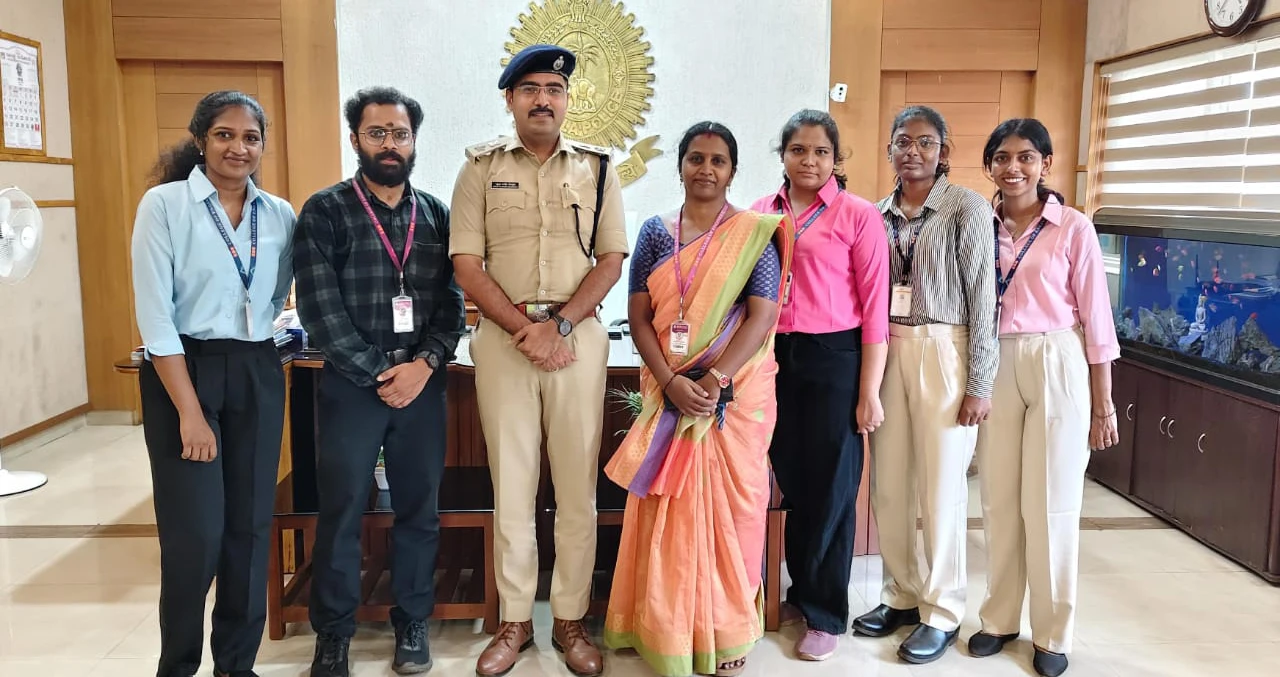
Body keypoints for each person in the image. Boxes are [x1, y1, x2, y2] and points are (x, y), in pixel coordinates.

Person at [448, 44, 628, 677]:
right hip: (505, 341)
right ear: (510, 99)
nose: (542, 99)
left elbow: (611, 260)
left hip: (577, 339)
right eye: (529, 89)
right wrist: (528, 330)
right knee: (514, 486)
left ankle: (571, 621)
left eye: (553, 89)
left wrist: (561, 325)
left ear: (567, 100)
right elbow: (466, 265)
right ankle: (516, 620)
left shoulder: (599, 169)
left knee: (578, 489)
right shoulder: (479, 169)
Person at [603, 122, 791, 677]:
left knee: (735, 509)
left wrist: (715, 382)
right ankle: (662, 626)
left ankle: (726, 628)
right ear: (680, 165)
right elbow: (639, 316)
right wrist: (669, 381)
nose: (706, 169)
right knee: (669, 504)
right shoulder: (656, 233)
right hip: (669, 386)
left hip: (732, 396)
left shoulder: (752, 232)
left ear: (732, 171)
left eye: (718, 160)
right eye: (696, 158)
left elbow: (762, 316)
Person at [293, 86, 465, 677]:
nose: (389, 144)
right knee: (342, 510)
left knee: (419, 509)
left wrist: (424, 365)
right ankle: (333, 634)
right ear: (355, 139)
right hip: (352, 386)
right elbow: (319, 309)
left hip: (422, 384)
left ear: (414, 141)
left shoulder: (436, 214)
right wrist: (378, 373)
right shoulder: (325, 211)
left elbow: (452, 303)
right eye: (377, 133)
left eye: (400, 134)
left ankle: (412, 622)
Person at [130, 90, 296, 677]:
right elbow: (156, 320)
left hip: (255, 368)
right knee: (194, 536)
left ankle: (236, 665)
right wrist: (190, 413)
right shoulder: (165, 205)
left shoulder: (278, 214)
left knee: (249, 531)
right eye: (225, 135)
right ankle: (177, 665)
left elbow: (276, 296)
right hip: (184, 372)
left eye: (251, 138)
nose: (238, 148)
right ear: (201, 139)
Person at [967, 119, 1119, 677]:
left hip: (1057, 356)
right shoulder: (979, 226)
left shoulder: (1073, 227)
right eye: (1002, 158)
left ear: (1045, 164)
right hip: (995, 360)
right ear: (990, 166)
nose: (1013, 168)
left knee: (1052, 502)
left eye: (1026, 157)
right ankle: (999, 619)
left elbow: (1097, 319)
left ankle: (1053, 633)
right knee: (998, 497)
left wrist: (1103, 404)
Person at [851, 105, 998, 665]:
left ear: (943, 151)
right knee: (889, 485)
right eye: (903, 141)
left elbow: (984, 299)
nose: (912, 151)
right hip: (888, 348)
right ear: (889, 148)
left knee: (941, 489)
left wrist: (980, 382)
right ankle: (901, 594)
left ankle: (942, 610)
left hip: (945, 347)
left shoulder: (966, 207)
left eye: (925, 142)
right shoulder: (876, 213)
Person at [748, 109, 889, 661]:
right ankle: (799, 592)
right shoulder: (761, 212)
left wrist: (868, 391)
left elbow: (875, 311)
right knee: (790, 480)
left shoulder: (858, 216)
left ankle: (826, 612)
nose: (809, 160)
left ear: (836, 159)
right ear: (783, 155)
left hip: (835, 357)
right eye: (799, 150)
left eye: (821, 152)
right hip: (770, 355)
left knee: (831, 489)